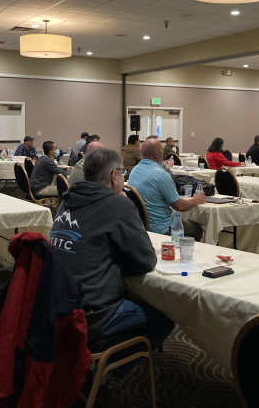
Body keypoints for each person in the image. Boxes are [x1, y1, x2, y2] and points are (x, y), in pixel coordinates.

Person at [49, 147, 173, 364]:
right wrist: (123, 204)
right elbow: (145, 261)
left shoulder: (68, 199)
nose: (124, 177)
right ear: (113, 176)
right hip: (94, 315)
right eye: (123, 172)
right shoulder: (119, 204)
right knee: (167, 316)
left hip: (55, 307)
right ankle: (108, 376)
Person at [129, 138, 205, 240]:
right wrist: (195, 200)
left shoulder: (134, 171)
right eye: (162, 151)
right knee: (198, 228)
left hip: (141, 225)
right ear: (157, 154)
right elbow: (180, 206)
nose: (163, 153)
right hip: (162, 228)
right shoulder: (160, 175)